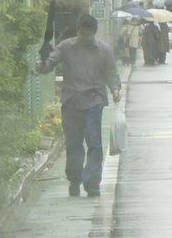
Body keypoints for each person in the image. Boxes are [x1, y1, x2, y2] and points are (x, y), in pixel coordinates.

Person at [35, 14, 121, 197]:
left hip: (94, 101)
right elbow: (50, 62)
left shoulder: (103, 50)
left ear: (94, 32)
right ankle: (75, 180)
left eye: (88, 35)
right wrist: (42, 66)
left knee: (94, 143)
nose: (84, 38)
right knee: (73, 144)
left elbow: (111, 73)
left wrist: (115, 89)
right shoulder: (65, 46)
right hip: (71, 101)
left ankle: (92, 183)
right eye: (82, 34)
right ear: (77, 30)